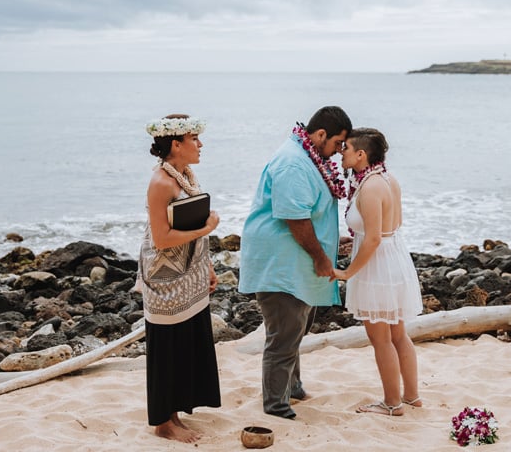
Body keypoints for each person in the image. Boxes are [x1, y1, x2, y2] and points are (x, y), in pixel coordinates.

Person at [239, 106, 353, 419]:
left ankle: (293, 386)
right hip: (280, 262)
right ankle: (275, 404)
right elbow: (295, 218)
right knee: (284, 335)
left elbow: (310, 211)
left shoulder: (307, 156)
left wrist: (332, 240)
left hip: (293, 260)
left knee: (297, 328)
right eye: (338, 143)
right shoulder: (293, 162)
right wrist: (320, 256)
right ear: (320, 135)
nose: (340, 151)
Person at [137, 114, 221, 443]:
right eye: (194, 139)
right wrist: (207, 229)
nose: (200, 144)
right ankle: (163, 423)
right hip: (164, 277)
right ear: (176, 144)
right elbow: (162, 238)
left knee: (185, 341)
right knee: (166, 347)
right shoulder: (161, 182)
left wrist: (208, 266)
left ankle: (175, 414)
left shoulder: (185, 173)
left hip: (190, 271)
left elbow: (191, 221)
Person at [331, 127, 423, 417]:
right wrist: (354, 242)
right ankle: (411, 395)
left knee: (381, 338)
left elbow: (372, 239)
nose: (340, 152)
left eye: (345, 148)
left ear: (361, 154)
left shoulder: (370, 187)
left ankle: (392, 403)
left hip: (378, 266)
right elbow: (391, 226)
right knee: (398, 334)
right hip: (394, 256)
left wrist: (347, 273)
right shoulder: (388, 179)